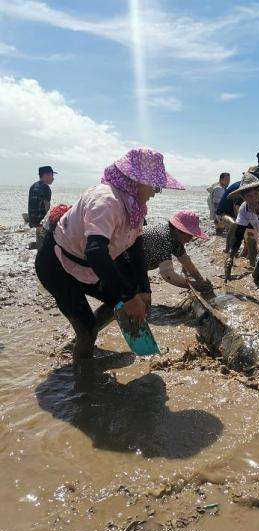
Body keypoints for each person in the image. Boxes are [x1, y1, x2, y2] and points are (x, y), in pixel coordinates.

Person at [35, 148, 185, 372]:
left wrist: (143, 289)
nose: (155, 193)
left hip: (89, 265)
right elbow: (96, 252)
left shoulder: (135, 207)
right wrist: (129, 296)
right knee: (89, 326)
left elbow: (134, 248)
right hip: (57, 265)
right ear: (135, 181)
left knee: (119, 303)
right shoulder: (106, 200)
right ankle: (83, 380)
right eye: (154, 186)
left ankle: (84, 339)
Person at [117, 211, 212, 294]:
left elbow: (186, 261)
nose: (191, 238)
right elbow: (168, 275)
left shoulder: (174, 237)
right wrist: (193, 285)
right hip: (120, 265)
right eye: (190, 234)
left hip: (133, 267)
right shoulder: (163, 238)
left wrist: (200, 280)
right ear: (179, 230)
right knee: (127, 300)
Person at [28, 166, 57, 248]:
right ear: (46, 175)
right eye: (52, 175)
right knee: (45, 245)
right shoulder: (45, 188)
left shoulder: (33, 186)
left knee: (39, 244)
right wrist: (52, 221)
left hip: (34, 221)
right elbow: (47, 207)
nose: (53, 178)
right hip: (42, 222)